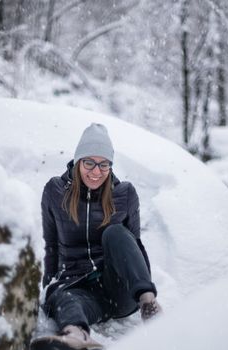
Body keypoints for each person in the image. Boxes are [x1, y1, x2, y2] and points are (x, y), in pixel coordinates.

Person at [37, 123, 161, 349]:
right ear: (77, 162)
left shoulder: (124, 194)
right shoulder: (55, 191)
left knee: (116, 232)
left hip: (119, 289)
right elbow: (51, 246)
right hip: (76, 287)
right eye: (89, 163)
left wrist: (144, 287)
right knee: (65, 298)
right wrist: (50, 288)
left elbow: (133, 245)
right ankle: (76, 336)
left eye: (104, 164)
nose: (96, 172)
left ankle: (149, 304)